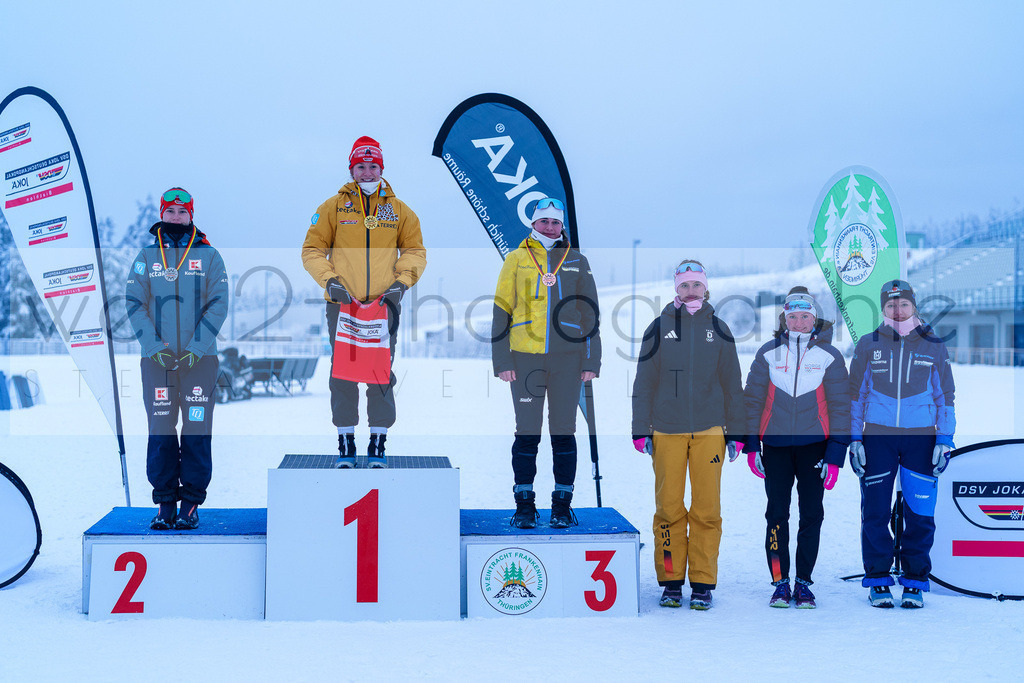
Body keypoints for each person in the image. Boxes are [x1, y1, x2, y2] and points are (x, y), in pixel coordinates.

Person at [302, 136, 426, 468]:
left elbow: (414, 252)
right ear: (351, 170)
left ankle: (378, 442)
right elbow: (313, 250)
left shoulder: (399, 210)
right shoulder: (333, 207)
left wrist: (401, 284)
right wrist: (330, 282)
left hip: (385, 305)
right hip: (343, 304)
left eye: (373, 167)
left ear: (381, 168)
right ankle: (345, 442)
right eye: (361, 167)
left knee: (379, 372)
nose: (367, 172)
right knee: (342, 372)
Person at [631, 260, 745, 610]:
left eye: (697, 285)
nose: (691, 290)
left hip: (710, 431)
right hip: (666, 431)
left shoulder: (719, 328)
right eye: (685, 285)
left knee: (707, 510)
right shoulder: (659, 326)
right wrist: (639, 428)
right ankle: (669, 580)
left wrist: (736, 432)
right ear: (676, 289)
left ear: (705, 288)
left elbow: (732, 385)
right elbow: (644, 380)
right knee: (668, 509)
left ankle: (702, 582)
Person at [492, 197, 601, 529]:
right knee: (527, 431)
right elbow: (501, 310)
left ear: (561, 226)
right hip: (525, 360)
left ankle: (561, 504)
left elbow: (590, 312)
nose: (550, 227)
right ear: (533, 224)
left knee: (563, 430)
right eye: (544, 221)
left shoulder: (577, 261)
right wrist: (501, 360)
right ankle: (524, 504)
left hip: (568, 360)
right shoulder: (516, 259)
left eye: (556, 222)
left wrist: (592, 359)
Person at [848, 279, 956, 609]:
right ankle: (878, 579)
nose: (898, 310)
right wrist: (855, 440)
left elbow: (946, 397)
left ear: (914, 306)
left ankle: (914, 580)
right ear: (883, 309)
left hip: (921, 439)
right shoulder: (869, 343)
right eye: (891, 305)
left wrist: (944, 440)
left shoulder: (934, 344)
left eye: (904, 304)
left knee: (919, 513)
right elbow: (856, 395)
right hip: (877, 437)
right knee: (876, 513)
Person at [126, 188, 228, 530]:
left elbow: (219, 303)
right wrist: (156, 347)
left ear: (191, 216)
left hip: (200, 361)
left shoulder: (210, 256)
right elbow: (133, 304)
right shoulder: (146, 256)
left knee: (197, 431)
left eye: (182, 212)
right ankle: (165, 503)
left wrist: (195, 349)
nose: (175, 217)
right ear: (162, 214)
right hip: (157, 362)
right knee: (161, 431)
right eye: (170, 211)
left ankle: (190, 505)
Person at [742, 287, 850, 608]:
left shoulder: (829, 356)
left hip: (814, 449)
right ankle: (779, 582)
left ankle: (803, 582)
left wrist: (835, 456)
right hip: (774, 447)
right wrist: (751, 446)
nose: (799, 322)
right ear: (784, 319)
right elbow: (752, 401)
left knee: (811, 515)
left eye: (805, 316)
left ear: (814, 319)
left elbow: (841, 407)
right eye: (793, 316)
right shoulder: (768, 353)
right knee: (776, 515)